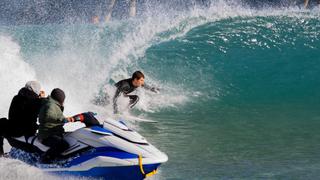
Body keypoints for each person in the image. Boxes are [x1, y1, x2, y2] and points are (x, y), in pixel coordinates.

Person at [38, 88, 84, 163]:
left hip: (54, 132)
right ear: (60, 99)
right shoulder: (51, 105)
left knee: (73, 136)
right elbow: (49, 114)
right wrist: (63, 119)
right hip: (47, 135)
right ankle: (45, 159)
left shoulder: (51, 103)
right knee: (63, 145)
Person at [0, 81, 45, 156]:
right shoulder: (38, 101)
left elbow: (12, 115)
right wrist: (42, 98)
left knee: (1, 122)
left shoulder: (16, 98)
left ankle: (0, 153)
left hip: (12, 128)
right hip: (26, 131)